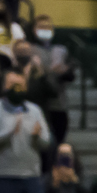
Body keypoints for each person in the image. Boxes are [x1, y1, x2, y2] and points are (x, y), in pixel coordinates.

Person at [26, 15, 75, 158]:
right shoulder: (30, 50)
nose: (45, 30)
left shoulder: (61, 50)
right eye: (41, 27)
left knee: (59, 145)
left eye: (48, 27)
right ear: (34, 30)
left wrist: (65, 71)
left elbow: (71, 76)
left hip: (59, 105)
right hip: (38, 105)